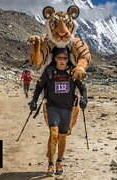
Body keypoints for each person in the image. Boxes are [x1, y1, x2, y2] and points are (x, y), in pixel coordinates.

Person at [29, 48, 88, 176]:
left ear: (68, 59)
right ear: (55, 59)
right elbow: (39, 86)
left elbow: (82, 88)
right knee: (54, 133)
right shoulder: (49, 71)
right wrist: (34, 100)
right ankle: (50, 164)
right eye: (59, 58)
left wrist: (84, 98)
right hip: (52, 107)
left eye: (64, 58)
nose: (62, 61)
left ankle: (59, 162)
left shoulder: (73, 72)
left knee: (62, 136)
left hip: (67, 108)